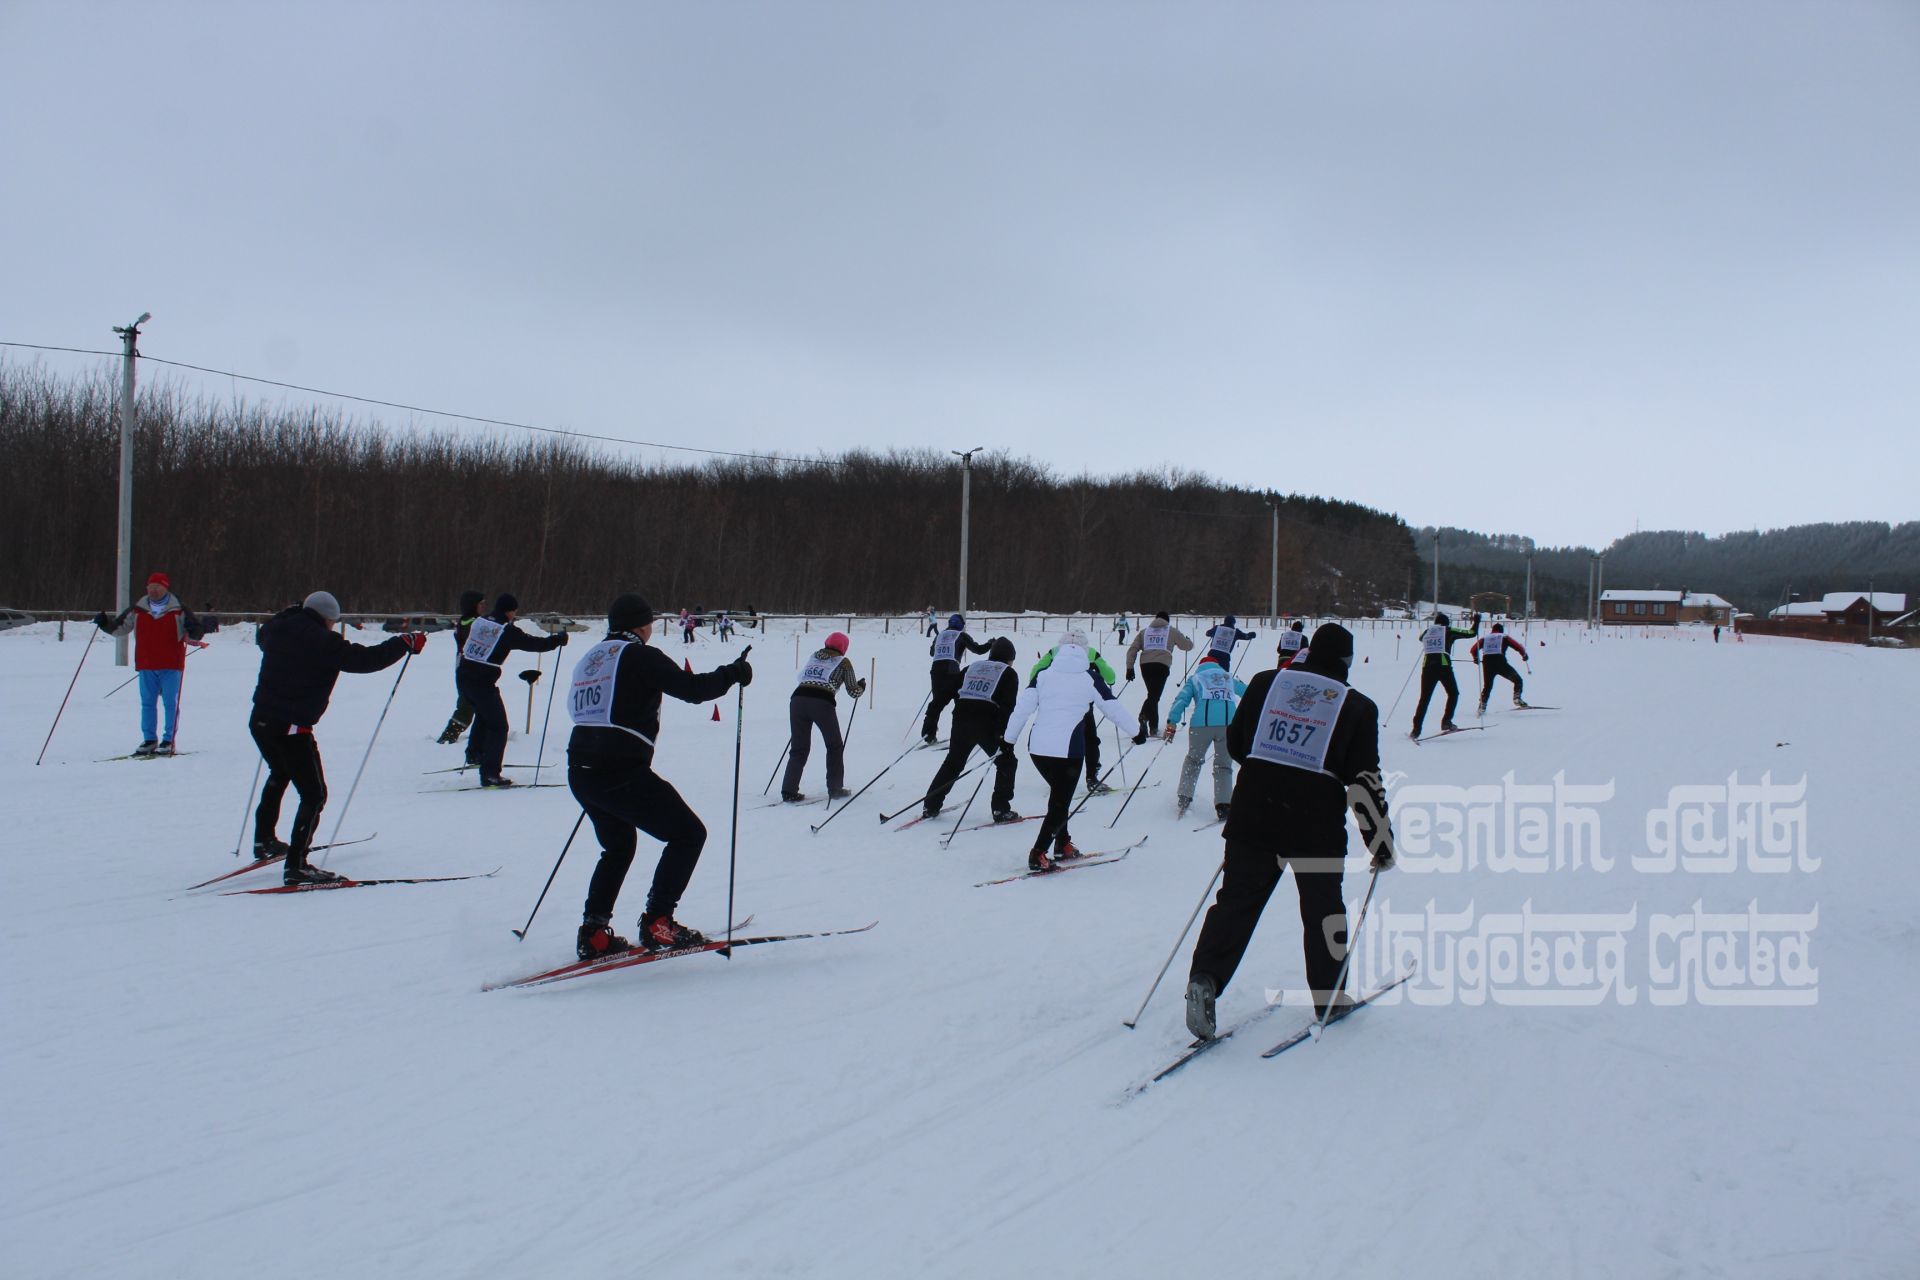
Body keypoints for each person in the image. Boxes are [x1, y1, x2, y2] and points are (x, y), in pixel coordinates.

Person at [1185, 623, 1394, 1037]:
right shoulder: (1357, 707)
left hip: (1254, 816)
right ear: (1346, 663)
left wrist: (1269, 771)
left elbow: (1237, 741)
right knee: (1323, 912)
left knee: (1235, 904)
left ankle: (1204, 979)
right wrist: (1380, 840)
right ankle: (1330, 998)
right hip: (1315, 828)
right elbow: (1363, 781)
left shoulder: (1266, 683)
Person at [566, 593, 753, 959]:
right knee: (688, 834)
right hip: (619, 769)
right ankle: (658, 922)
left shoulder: (592, 657)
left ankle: (593, 932)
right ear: (641, 625)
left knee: (617, 848)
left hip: (582, 769)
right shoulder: (639, 655)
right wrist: (733, 673)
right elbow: (692, 690)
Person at [248, 591, 425, 884]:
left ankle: (264, 840)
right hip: (291, 726)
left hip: (260, 720)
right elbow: (363, 660)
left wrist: (292, 612)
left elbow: (265, 634)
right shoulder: (321, 640)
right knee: (314, 794)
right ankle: (297, 865)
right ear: (328, 620)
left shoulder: (278, 627)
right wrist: (402, 643)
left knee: (279, 772)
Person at [1000, 630, 1136, 871]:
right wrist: (1137, 732)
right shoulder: (1090, 677)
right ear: (1085, 653)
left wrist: (1009, 740)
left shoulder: (1043, 675)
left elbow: (1022, 709)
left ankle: (1063, 844)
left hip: (1038, 749)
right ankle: (1038, 852)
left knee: (1059, 797)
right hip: (1069, 751)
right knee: (1060, 803)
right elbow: (1112, 707)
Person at [457, 593, 567, 786]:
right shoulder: (505, 630)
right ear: (510, 611)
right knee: (499, 726)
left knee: (484, 715)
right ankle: (490, 773)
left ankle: (475, 754)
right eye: (514, 612)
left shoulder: (481, 621)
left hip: (464, 677)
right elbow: (535, 644)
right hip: (481, 681)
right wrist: (557, 640)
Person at [92, 571, 205, 756]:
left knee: (170, 702)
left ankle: (168, 740)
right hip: (147, 663)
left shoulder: (179, 609)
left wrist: (197, 630)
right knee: (148, 702)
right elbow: (119, 629)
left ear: (165, 587)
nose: (153, 590)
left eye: (157, 587)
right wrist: (104, 624)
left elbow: (196, 631)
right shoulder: (138, 609)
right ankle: (150, 739)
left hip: (171, 663)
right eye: (150, 587)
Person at [922, 636, 1021, 822]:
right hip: (987, 722)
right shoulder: (1008, 673)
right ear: (1009, 658)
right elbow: (1008, 707)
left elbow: (946, 693)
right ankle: (1001, 809)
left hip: (961, 718)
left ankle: (931, 805)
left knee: (953, 763)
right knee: (1007, 762)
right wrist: (1003, 736)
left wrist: (931, 715)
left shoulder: (972, 668)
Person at [781, 631, 867, 802]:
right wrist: (861, 687)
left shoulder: (814, 656)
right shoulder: (844, 662)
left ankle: (788, 790)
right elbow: (853, 691)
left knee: (799, 748)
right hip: (821, 703)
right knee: (834, 745)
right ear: (844, 647)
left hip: (797, 700)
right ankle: (835, 788)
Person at [1029, 638, 1122, 794]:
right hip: (1083, 705)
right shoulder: (1091, 652)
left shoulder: (1054, 652)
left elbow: (1035, 672)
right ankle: (1092, 778)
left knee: (1059, 739)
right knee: (1090, 740)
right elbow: (1111, 676)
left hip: (1057, 704)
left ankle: (1057, 778)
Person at [1164, 654, 1248, 821]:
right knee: (1224, 765)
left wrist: (1172, 722)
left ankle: (1185, 797)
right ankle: (1224, 805)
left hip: (1201, 725)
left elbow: (1182, 699)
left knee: (1193, 760)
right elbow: (1247, 692)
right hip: (1228, 725)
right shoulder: (1228, 677)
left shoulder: (1196, 678)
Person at [1124, 611, 1194, 744]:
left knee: (1153, 694)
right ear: (1167, 620)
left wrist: (1129, 668)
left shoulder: (1144, 632)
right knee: (1154, 695)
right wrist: (1189, 640)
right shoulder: (1171, 630)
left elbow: (1132, 649)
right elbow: (1186, 646)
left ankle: (1153, 727)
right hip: (1162, 665)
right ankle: (1144, 716)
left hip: (1145, 666)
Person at [923, 613, 993, 744]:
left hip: (936, 671)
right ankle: (963, 734)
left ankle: (928, 734)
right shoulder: (961, 635)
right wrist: (990, 644)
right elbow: (978, 649)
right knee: (961, 704)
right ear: (961, 625)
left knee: (936, 703)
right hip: (952, 672)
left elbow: (932, 652)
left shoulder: (939, 635)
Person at [1410, 610, 1481, 739]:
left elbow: (1420, 638)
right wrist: (1476, 621)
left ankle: (1416, 730)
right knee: (1453, 693)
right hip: (1443, 667)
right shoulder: (1448, 630)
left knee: (1424, 699)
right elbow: (1471, 633)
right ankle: (1446, 722)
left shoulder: (1427, 631)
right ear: (1446, 623)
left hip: (1427, 667)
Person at [436, 590, 487, 753]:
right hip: (468, 669)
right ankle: (448, 737)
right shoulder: (471, 623)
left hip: (470, 668)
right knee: (466, 704)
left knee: (480, 704)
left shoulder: (470, 621)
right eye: (481, 604)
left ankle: (483, 736)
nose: (483, 606)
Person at [1470, 623, 1530, 714]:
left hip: (1487, 663)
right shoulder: (1503, 636)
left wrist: (1476, 658)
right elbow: (1518, 646)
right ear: (1501, 630)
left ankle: (1482, 706)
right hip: (1500, 662)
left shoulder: (1485, 638)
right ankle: (1517, 698)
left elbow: (1473, 649)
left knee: (1487, 686)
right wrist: (1524, 655)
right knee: (1517, 679)